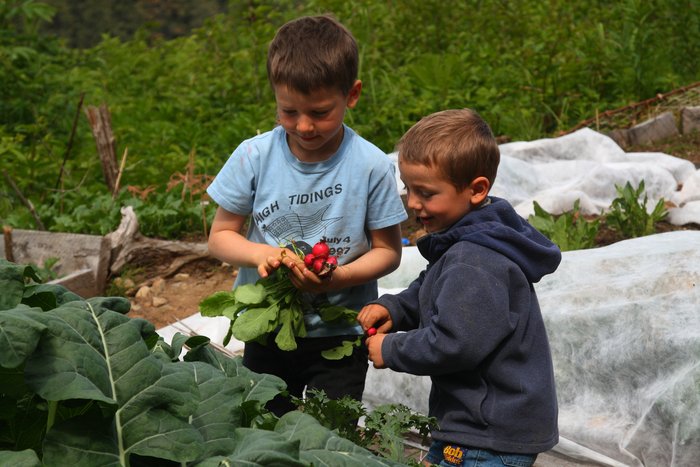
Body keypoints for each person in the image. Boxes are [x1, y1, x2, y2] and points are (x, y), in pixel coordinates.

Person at [206, 14, 407, 416]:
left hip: (339, 334)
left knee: (331, 432)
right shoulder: (253, 156)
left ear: (352, 94)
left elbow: (389, 250)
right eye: (288, 111)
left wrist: (338, 277)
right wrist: (262, 255)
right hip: (266, 327)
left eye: (318, 112)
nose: (303, 126)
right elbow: (220, 236)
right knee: (266, 427)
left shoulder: (371, 165)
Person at [357, 108, 561, 467]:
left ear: (477, 189)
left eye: (426, 193)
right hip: (477, 425)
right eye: (408, 188)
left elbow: (453, 344)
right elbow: (433, 288)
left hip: (487, 432)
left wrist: (391, 348)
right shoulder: (471, 238)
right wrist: (395, 308)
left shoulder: (475, 261)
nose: (413, 203)